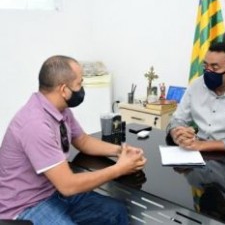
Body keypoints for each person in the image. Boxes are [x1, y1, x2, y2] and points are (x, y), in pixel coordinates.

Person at [0, 55, 147, 224]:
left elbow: (83, 140)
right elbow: (68, 185)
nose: (81, 88)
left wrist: (121, 151)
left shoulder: (59, 110)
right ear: (63, 89)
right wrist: (120, 168)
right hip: (26, 205)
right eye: (79, 84)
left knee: (115, 211)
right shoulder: (34, 124)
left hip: (53, 192)